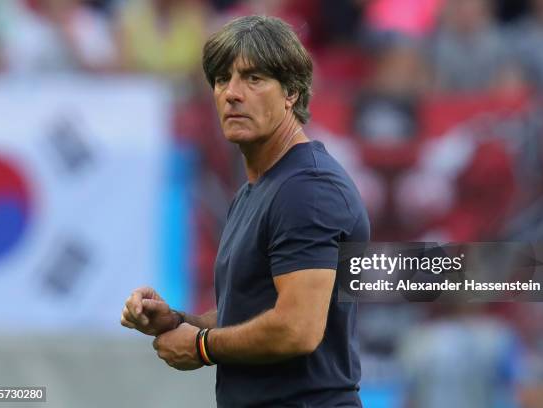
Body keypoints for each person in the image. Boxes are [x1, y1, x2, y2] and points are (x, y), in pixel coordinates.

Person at [120, 15, 370, 407]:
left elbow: (297, 328)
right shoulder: (257, 189)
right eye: (222, 79)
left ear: (291, 92)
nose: (232, 93)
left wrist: (202, 347)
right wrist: (179, 322)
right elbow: (251, 311)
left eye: (253, 79)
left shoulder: (308, 188)